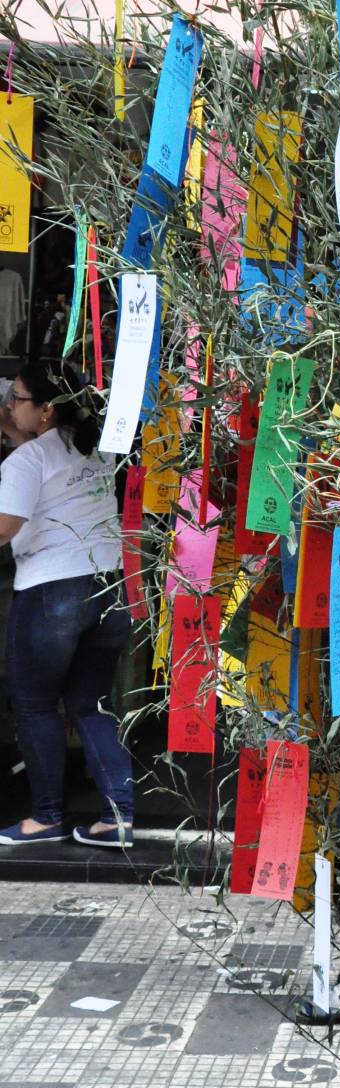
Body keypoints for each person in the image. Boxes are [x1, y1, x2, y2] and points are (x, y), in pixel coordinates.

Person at [0, 360, 134, 849]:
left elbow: (5, 525)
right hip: (109, 588)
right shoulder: (94, 447)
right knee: (90, 703)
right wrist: (10, 421)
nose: (10, 404)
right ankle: (117, 817)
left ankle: (46, 817)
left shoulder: (26, 462)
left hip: (51, 590)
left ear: (47, 410)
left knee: (34, 705)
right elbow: (43, 460)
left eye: (17, 399)